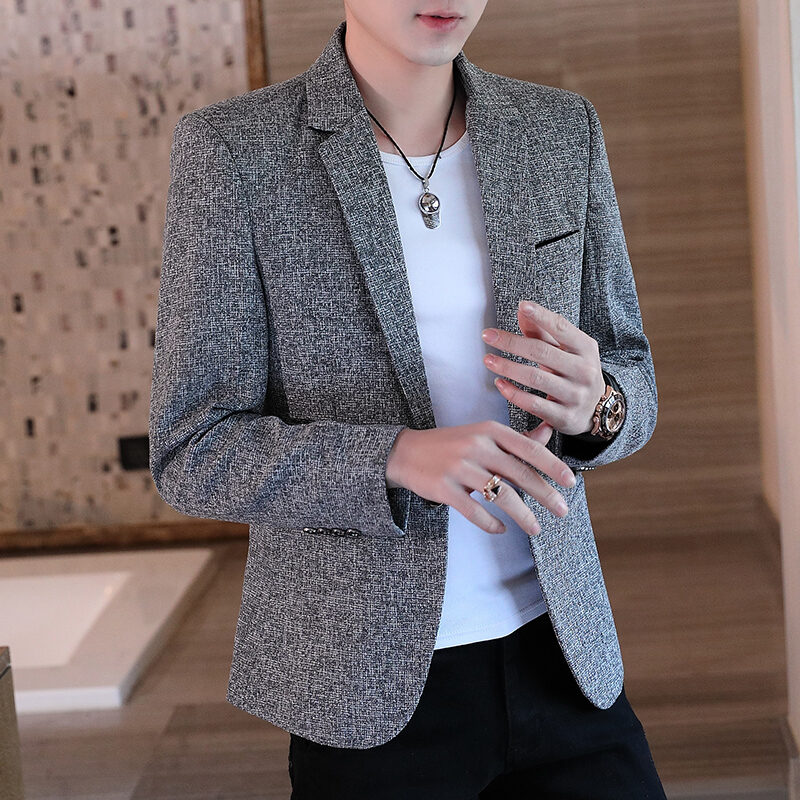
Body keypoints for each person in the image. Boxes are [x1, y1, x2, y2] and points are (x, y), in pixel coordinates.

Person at [149, 1, 666, 797]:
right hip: (366, 685)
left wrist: (599, 406)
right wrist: (394, 458)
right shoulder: (236, 152)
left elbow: (631, 376)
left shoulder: (560, 130)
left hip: (564, 657)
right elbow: (194, 448)